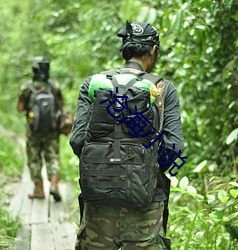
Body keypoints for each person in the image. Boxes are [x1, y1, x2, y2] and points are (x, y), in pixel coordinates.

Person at [70, 21, 184, 249]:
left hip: (98, 205)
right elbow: (173, 150)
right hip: (146, 209)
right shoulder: (163, 89)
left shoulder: (93, 84)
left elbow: (77, 140)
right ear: (153, 50)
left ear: (124, 50)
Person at [17, 57, 64, 202]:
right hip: (52, 129)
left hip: (33, 131)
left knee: (34, 159)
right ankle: (54, 186)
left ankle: (39, 190)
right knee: (53, 157)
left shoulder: (27, 88)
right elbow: (61, 104)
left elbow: (19, 108)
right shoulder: (54, 86)